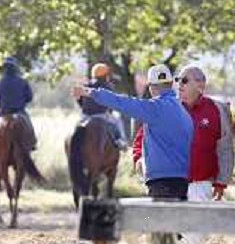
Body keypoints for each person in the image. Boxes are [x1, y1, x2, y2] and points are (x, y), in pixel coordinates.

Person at [133, 65, 235, 244]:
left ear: (200, 85)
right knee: (165, 236)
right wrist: (139, 158)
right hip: (169, 184)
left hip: (201, 184)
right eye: (177, 79)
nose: (179, 84)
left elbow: (225, 146)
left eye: (185, 80)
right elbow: (141, 136)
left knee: (197, 239)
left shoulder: (216, 109)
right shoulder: (166, 107)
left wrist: (222, 180)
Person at [72, 64, 193, 200]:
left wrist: (90, 92)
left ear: (151, 86)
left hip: (161, 183)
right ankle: (119, 141)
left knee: (150, 220)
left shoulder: (154, 108)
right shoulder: (184, 112)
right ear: (171, 83)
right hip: (183, 181)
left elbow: (122, 102)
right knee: (177, 220)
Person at [0, 56, 36, 152]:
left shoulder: (0, 82)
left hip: (4, 111)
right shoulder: (23, 81)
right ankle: (32, 143)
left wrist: (1, 107)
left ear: (4, 68)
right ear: (15, 68)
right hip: (20, 111)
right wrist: (22, 102)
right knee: (29, 124)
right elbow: (29, 97)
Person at [75, 63, 129, 150]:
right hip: (102, 115)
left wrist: (85, 107)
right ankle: (120, 141)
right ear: (104, 75)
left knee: (77, 127)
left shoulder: (86, 85)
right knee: (117, 119)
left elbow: (79, 100)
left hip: (85, 116)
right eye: (107, 74)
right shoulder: (107, 86)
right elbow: (111, 104)